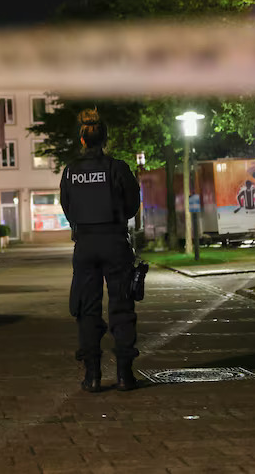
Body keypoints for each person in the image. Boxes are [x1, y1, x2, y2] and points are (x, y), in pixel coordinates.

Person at [60, 109, 142, 392]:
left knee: (87, 310)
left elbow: (67, 208)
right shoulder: (117, 168)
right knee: (122, 306)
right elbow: (132, 206)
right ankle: (124, 375)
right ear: (105, 139)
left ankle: (92, 376)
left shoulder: (70, 171)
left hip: (85, 245)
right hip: (115, 243)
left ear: (82, 141)